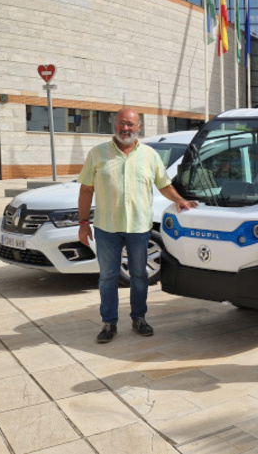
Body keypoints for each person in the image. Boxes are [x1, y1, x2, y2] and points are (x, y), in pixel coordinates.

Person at [77, 108, 197, 343]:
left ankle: (139, 318)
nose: (126, 129)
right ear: (115, 124)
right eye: (122, 124)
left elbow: (163, 184)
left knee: (140, 276)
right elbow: (86, 190)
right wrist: (83, 223)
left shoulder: (150, 155)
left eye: (131, 125)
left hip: (139, 228)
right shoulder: (97, 153)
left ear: (139, 127)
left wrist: (179, 200)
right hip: (106, 228)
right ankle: (109, 323)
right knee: (108, 277)